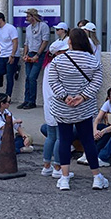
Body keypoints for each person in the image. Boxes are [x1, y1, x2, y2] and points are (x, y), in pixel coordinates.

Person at [48, 28, 108, 191]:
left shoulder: (58, 61)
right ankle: (96, 177)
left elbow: (52, 81)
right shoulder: (92, 60)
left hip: (63, 108)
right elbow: (97, 83)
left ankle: (65, 178)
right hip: (84, 108)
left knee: (64, 141)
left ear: (70, 42)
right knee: (88, 141)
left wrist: (65, 96)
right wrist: (82, 97)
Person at [40, 40, 70, 178]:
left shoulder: (48, 66)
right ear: (57, 53)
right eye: (64, 51)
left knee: (51, 136)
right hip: (59, 105)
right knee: (60, 137)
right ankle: (58, 167)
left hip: (49, 105)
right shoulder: (58, 66)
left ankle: (47, 166)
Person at [77, 86, 111, 167]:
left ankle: (103, 158)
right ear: (109, 98)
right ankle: (89, 153)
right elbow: (98, 119)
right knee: (98, 127)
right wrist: (95, 130)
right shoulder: (108, 104)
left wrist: (103, 131)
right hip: (110, 129)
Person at [20, 8, 50, 110]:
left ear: (33, 16)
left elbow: (45, 41)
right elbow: (26, 43)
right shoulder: (28, 28)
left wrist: (37, 54)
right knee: (28, 77)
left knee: (32, 77)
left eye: (28, 16)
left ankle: (32, 101)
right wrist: (25, 54)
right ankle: (26, 99)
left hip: (39, 54)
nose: (26, 18)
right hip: (30, 53)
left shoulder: (43, 26)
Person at [0, 12, 19, 99]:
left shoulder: (10, 28)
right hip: (2, 55)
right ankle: (15, 68)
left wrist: (12, 55)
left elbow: (15, 42)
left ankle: (8, 96)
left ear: (1, 19)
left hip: (11, 54)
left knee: (9, 77)